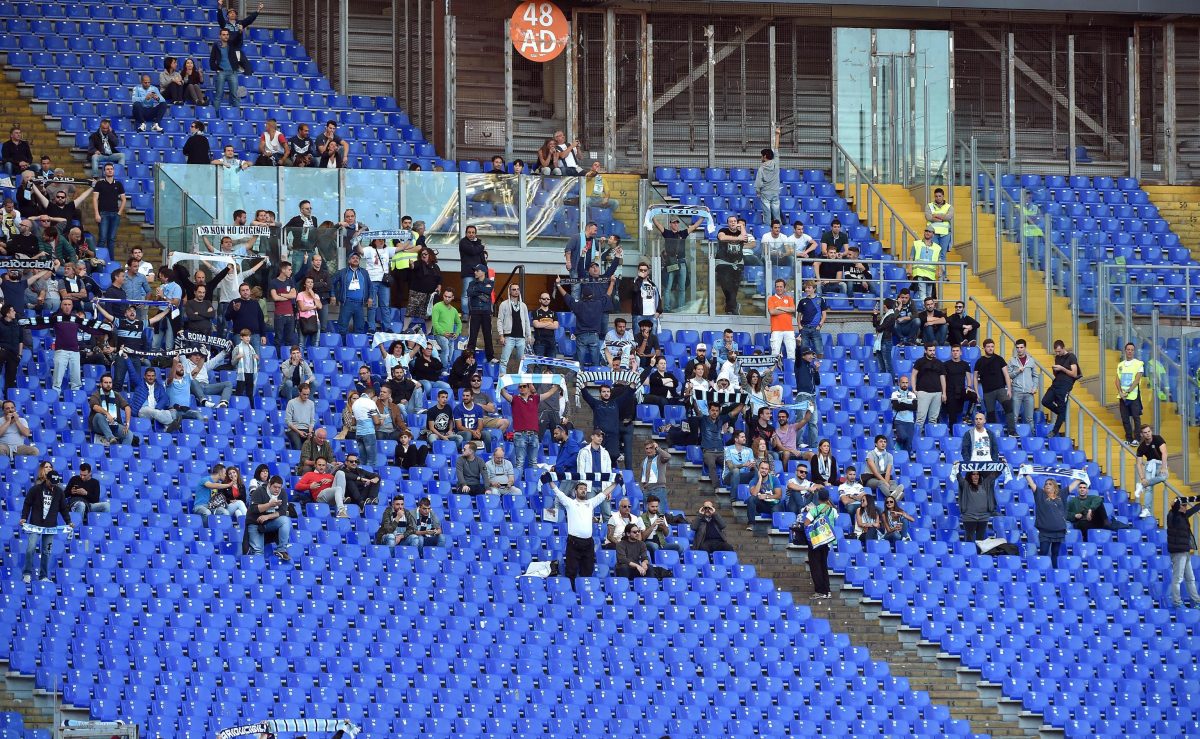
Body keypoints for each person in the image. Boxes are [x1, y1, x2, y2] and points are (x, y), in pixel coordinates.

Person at [551, 480, 614, 583]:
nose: (583, 491)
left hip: (588, 543)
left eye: (585, 489)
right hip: (573, 543)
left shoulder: (591, 503)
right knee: (571, 571)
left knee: (588, 571)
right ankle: (571, 591)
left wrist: (615, 483)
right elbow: (557, 492)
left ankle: (584, 590)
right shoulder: (570, 503)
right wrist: (550, 481)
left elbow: (604, 494)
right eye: (581, 489)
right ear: (575, 491)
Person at [20, 467, 70, 583]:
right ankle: (27, 573)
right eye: (51, 483)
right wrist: (24, 517)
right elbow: (27, 504)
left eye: (55, 484)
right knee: (30, 548)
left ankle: (43, 576)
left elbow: (63, 508)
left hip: (50, 526)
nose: (53, 486)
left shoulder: (59, 492)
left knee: (47, 552)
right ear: (46, 479)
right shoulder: (35, 489)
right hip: (35, 525)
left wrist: (68, 521)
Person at [246, 475, 293, 561]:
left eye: (279, 487)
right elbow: (253, 509)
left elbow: (282, 511)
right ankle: (258, 567)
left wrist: (267, 516)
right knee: (258, 552)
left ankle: (281, 550)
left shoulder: (282, 493)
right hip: (255, 522)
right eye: (275, 487)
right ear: (269, 485)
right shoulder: (259, 491)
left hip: (269, 523)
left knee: (285, 520)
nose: (277, 489)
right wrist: (269, 505)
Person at [974, 338, 1015, 435]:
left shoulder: (999, 359)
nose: (990, 348)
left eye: (992, 346)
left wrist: (1009, 389)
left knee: (1008, 407)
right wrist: (976, 392)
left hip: (1001, 389)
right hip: (988, 392)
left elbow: (1006, 375)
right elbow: (975, 377)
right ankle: (993, 434)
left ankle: (1012, 431)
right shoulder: (979, 361)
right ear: (984, 348)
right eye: (988, 346)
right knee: (990, 413)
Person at [802, 489, 837, 598]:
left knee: (815, 566)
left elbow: (806, 524)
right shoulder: (833, 510)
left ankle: (820, 591)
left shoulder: (814, 510)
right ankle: (827, 591)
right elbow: (835, 518)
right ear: (828, 498)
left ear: (818, 498)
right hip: (827, 540)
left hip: (816, 540)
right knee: (823, 565)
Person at [1027, 473, 1067, 568]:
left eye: (1050, 484)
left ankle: (1055, 571)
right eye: (1046, 484)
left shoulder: (1060, 496)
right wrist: (1026, 474)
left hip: (1059, 531)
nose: (1047, 485)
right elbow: (1032, 484)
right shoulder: (1040, 495)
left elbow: (1072, 487)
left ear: (1055, 486)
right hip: (1045, 531)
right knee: (1043, 552)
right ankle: (1041, 570)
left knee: (1055, 553)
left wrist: (1081, 475)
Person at [1167, 497, 1200, 609]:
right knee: (1178, 578)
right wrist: (1178, 501)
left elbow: (1194, 509)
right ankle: (1177, 602)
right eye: (1184, 505)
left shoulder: (1183, 516)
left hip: (1185, 551)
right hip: (1178, 552)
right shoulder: (1173, 515)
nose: (1186, 507)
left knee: (1191, 578)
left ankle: (1196, 601)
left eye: (1186, 505)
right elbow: (1176, 504)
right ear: (1178, 506)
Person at [1041, 340, 1079, 438]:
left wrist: (1062, 368)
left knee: (1062, 408)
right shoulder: (1057, 357)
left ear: (1063, 348)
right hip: (1056, 383)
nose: (1057, 353)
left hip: (1065, 385)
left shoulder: (1071, 356)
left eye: (1059, 351)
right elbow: (1058, 373)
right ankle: (1062, 415)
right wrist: (1055, 370)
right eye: (1056, 352)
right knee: (1045, 401)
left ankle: (1054, 431)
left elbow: (1074, 373)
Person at [910, 343, 946, 436]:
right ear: (925, 351)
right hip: (923, 392)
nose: (932, 352)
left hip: (937, 393)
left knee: (933, 419)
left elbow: (942, 378)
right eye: (930, 350)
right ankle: (916, 438)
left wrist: (944, 393)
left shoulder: (939, 363)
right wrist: (914, 389)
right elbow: (913, 375)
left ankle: (930, 440)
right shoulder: (919, 361)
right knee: (920, 419)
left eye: (933, 350)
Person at [87, 373, 133, 446]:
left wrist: (127, 423)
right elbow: (95, 407)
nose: (108, 384)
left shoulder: (116, 395)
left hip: (113, 424)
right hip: (98, 425)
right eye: (106, 382)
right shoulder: (96, 394)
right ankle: (111, 438)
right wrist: (107, 414)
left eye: (110, 382)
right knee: (99, 415)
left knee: (129, 434)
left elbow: (127, 407)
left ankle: (121, 452)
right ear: (101, 384)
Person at [331, 252, 371, 335]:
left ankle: (357, 343)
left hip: (360, 304)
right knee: (342, 328)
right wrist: (333, 295)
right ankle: (343, 343)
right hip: (347, 303)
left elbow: (370, 286)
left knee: (360, 328)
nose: (355, 259)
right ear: (349, 261)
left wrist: (370, 297)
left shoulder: (364, 272)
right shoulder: (342, 272)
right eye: (353, 258)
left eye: (357, 258)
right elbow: (331, 283)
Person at [1135, 425, 1169, 521]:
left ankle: (1142, 485)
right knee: (1149, 488)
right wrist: (1142, 478)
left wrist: (1163, 467)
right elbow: (1139, 463)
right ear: (1142, 434)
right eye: (1145, 432)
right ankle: (1146, 509)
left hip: (1160, 463)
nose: (1148, 434)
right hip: (1150, 465)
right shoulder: (1141, 447)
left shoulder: (1158, 438)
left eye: (1149, 431)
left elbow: (1164, 453)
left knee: (1163, 477)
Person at [715, 216, 747, 314]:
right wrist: (737, 238)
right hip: (724, 264)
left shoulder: (740, 232)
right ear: (727, 223)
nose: (733, 223)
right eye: (730, 221)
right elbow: (722, 237)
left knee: (734, 288)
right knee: (726, 286)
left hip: (737, 264)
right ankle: (733, 306)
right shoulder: (723, 230)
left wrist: (742, 227)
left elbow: (745, 238)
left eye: (734, 221)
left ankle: (730, 309)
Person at [91, 163, 126, 253]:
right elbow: (95, 199)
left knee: (112, 239)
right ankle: (99, 258)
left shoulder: (118, 184)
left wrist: (119, 213)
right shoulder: (99, 184)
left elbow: (124, 199)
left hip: (115, 214)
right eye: (107, 169)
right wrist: (97, 214)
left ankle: (111, 259)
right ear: (104, 171)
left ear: (113, 171)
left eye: (111, 169)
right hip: (103, 214)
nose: (110, 170)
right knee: (102, 238)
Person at [464, 265, 495, 363]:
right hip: (475, 312)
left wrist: (476, 290)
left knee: (488, 336)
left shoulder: (490, 282)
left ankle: (490, 357)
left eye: (477, 271)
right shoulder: (472, 283)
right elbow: (469, 293)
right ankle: (470, 357)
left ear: (483, 272)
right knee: (472, 336)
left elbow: (488, 291)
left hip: (486, 312)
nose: (475, 272)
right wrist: (482, 290)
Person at [958, 467, 999, 542]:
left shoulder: (985, 484)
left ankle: (979, 550)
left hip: (983, 517)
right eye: (973, 474)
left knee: (980, 540)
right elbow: (958, 476)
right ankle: (970, 550)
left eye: (977, 474)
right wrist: (956, 466)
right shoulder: (966, 485)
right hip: (969, 517)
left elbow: (994, 475)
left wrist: (1002, 464)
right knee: (969, 540)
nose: (976, 476)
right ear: (969, 476)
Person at [1115, 342, 1145, 444]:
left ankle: (1137, 438)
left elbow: (1137, 380)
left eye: (1132, 350)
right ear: (1125, 351)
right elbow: (1117, 380)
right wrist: (1120, 392)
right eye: (1128, 349)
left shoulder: (1139, 363)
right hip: (1122, 396)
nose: (1130, 351)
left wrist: (1127, 392)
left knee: (1136, 417)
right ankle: (1128, 438)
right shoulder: (1120, 365)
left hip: (1133, 396)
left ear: (1134, 351)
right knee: (1125, 418)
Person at [209, 29, 244, 109]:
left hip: (232, 72)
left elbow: (238, 41)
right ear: (220, 36)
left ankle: (237, 114)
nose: (226, 36)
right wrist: (216, 69)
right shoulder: (216, 45)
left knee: (235, 95)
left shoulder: (232, 44)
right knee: (219, 94)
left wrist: (240, 33)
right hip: (221, 72)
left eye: (227, 34)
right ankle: (216, 114)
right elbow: (212, 59)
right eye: (224, 34)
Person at [1007, 338, 1039, 427]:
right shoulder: (1012, 360)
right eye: (1017, 348)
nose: (1019, 349)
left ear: (1025, 348)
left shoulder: (1031, 360)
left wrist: (1035, 387)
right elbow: (1008, 375)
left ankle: (1031, 434)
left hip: (1029, 392)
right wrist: (1017, 371)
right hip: (1017, 392)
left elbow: (1035, 376)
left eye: (1021, 347)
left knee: (1030, 418)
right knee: (1014, 417)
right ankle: (1013, 433)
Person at [942, 344, 973, 428]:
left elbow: (968, 378)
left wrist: (969, 387)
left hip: (961, 391)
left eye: (957, 351)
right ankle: (953, 432)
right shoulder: (946, 364)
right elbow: (943, 379)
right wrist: (944, 393)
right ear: (951, 353)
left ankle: (968, 415)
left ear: (961, 352)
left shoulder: (965, 364)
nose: (955, 353)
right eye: (953, 351)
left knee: (974, 396)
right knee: (953, 415)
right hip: (950, 392)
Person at [745, 460, 783, 528]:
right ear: (758, 469)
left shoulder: (774, 479)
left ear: (768, 470)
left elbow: (779, 495)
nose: (764, 470)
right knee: (751, 499)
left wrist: (766, 496)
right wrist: (760, 479)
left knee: (776, 509)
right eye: (762, 468)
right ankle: (751, 523)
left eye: (766, 469)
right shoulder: (754, 480)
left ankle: (775, 528)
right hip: (762, 505)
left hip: (773, 504)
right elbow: (754, 494)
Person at [767, 278, 797, 360]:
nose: (779, 288)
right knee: (775, 353)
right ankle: (775, 368)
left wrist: (780, 308)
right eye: (777, 286)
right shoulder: (771, 299)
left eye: (781, 286)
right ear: (775, 288)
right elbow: (772, 312)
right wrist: (786, 310)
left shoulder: (789, 298)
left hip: (789, 330)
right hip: (776, 330)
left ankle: (791, 368)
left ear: (784, 288)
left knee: (791, 352)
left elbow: (793, 309)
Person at [796, 281, 827, 357]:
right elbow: (799, 315)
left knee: (819, 351)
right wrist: (799, 326)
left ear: (814, 289)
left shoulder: (820, 300)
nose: (806, 289)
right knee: (804, 352)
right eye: (806, 288)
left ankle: (819, 364)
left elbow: (824, 315)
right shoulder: (802, 301)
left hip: (815, 329)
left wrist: (819, 325)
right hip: (804, 328)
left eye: (809, 288)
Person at [755, 141, 781, 226]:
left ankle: (767, 227)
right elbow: (776, 150)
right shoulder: (776, 163)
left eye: (761, 156)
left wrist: (758, 192)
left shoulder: (761, 168)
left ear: (765, 156)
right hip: (775, 192)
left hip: (765, 193)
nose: (761, 158)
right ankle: (778, 227)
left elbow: (759, 182)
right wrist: (777, 136)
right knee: (776, 212)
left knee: (767, 213)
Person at [890, 375, 916, 453]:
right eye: (903, 382)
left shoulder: (912, 394)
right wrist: (908, 405)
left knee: (908, 444)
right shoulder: (895, 394)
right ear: (899, 383)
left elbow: (914, 407)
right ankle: (898, 442)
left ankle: (906, 458)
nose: (905, 384)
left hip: (910, 421)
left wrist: (902, 404)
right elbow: (896, 407)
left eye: (906, 383)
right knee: (903, 437)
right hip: (899, 420)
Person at [924, 187, 953, 254]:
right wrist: (942, 217)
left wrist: (935, 215)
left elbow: (948, 217)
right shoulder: (929, 206)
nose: (938, 198)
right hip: (932, 233)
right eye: (936, 196)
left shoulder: (949, 207)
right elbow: (929, 217)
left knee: (942, 254)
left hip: (945, 233)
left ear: (943, 196)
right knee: (933, 253)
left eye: (940, 196)